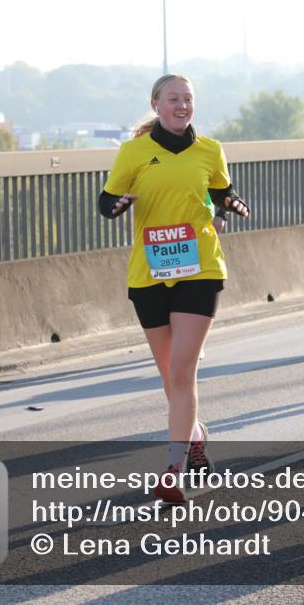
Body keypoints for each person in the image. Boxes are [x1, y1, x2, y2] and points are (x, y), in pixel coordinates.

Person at [99, 74, 249, 502]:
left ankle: (173, 469)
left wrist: (232, 203)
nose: (182, 105)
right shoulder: (134, 152)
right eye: (173, 99)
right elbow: (106, 200)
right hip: (148, 274)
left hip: (199, 269)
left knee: (183, 372)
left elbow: (222, 191)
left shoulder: (209, 150)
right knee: (170, 379)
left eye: (188, 99)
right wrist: (117, 206)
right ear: (157, 104)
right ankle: (196, 433)